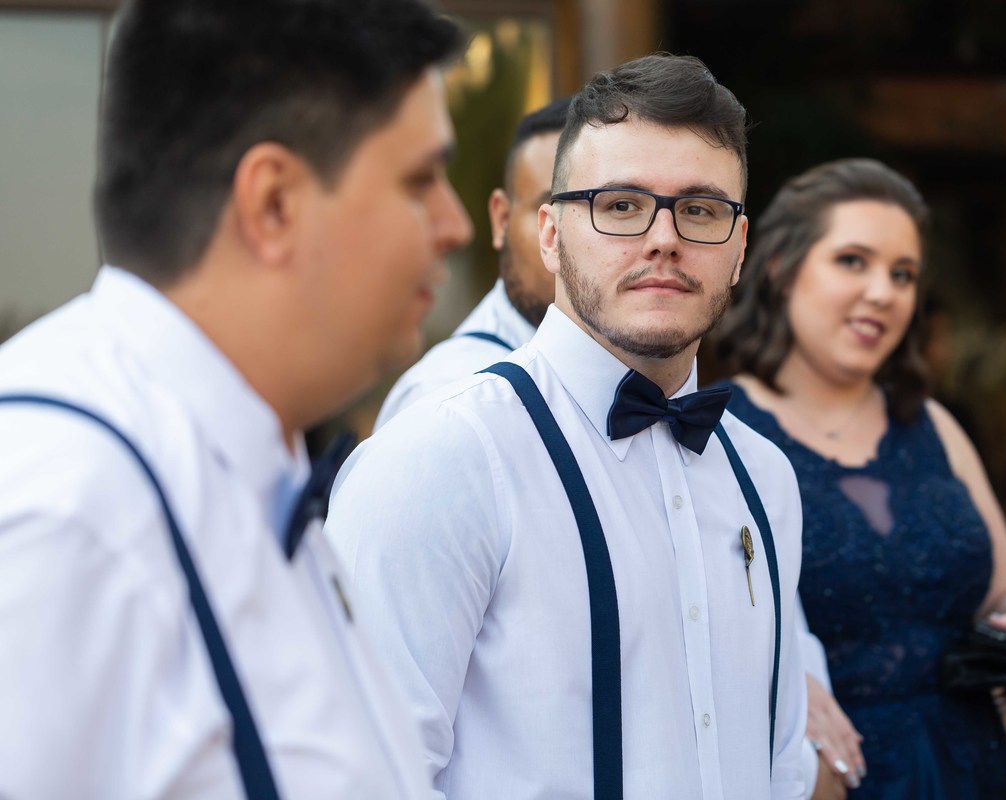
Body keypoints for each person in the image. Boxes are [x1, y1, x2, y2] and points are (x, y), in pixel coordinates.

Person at [0, 0, 472, 797]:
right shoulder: (65, 514)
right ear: (275, 203)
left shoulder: (257, 471)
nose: (454, 224)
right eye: (419, 179)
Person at [327, 54, 814, 799]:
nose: (663, 238)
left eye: (702, 209)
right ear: (549, 235)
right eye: (620, 205)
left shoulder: (765, 479)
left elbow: (779, 766)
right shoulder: (441, 459)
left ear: (740, 248)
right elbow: (358, 777)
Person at [712, 158, 1006, 799]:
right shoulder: (717, 431)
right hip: (824, 777)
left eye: (903, 274)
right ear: (780, 270)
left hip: (971, 767)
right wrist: (784, 680)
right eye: (852, 261)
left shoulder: (933, 426)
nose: (883, 291)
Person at [375, 96, 572, 428]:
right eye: (552, 211)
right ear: (501, 220)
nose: (578, 238)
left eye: (615, 209)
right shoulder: (442, 403)